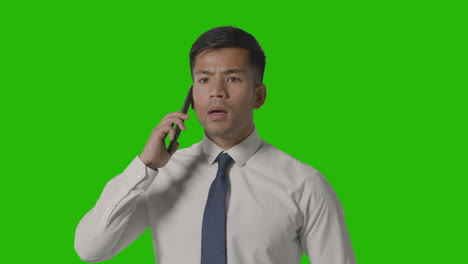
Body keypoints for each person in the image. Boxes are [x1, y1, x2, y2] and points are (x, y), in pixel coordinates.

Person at [74, 26, 356, 264]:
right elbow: (91, 250)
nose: (216, 92)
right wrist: (145, 166)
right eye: (204, 79)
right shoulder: (162, 176)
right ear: (191, 94)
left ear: (258, 96)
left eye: (233, 78)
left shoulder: (304, 184)